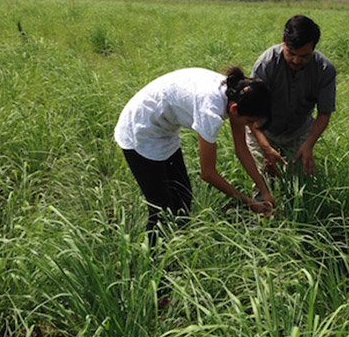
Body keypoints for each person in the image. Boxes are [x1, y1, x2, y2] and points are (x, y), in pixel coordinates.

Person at [114, 67, 275, 236]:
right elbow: (208, 173)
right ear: (234, 109)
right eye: (249, 121)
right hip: (140, 129)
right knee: (162, 210)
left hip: (164, 129)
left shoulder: (236, 93)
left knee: (183, 195)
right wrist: (248, 203)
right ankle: (153, 258)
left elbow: (241, 148)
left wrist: (264, 190)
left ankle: (180, 244)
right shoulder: (210, 111)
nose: (249, 125)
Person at [246, 15, 335, 178]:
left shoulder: (324, 70)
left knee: (298, 180)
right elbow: (252, 111)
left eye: (304, 56)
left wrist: (308, 145)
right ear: (283, 42)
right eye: (291, 53)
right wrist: (264, 146)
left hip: (298, 131)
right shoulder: (266, 64)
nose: (296, 60)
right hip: (261, 128)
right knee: (263, 179)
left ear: (314, 48)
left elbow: (324, 114)